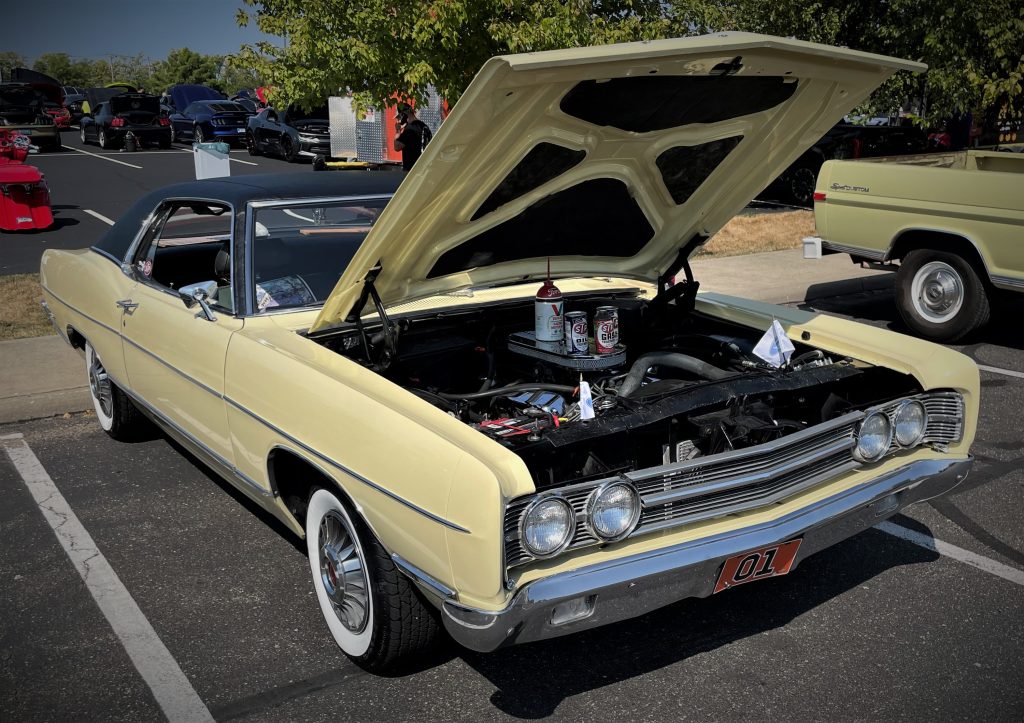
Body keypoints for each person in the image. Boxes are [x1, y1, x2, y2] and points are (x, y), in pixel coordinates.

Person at [393, 103, 432, 170]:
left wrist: (398, 130)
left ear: (403, 115)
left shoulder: (410, 129)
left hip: (411, 171)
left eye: (399, 117)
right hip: (425, 168)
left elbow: (397, 147)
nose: (398, 120)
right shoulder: (424, 126)